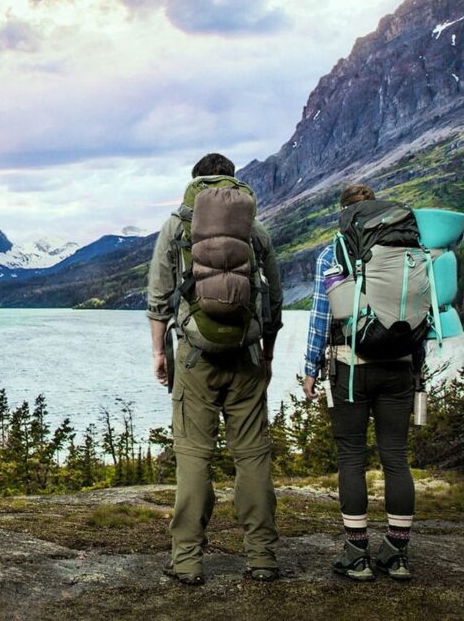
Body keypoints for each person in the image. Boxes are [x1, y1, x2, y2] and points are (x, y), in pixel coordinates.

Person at [147, 152, 284, 585]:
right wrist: (268, 354)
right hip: (246, 356)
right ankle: (261, 557)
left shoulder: (177, 226)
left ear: (195, 182)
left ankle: (187, 560)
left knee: (193, 457)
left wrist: (159, 354)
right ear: (233, 184)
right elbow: (274, 301)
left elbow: (157, 299)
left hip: (194, 357)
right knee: (253, 457)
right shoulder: (254, 230)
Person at [302, 183, 416, 581]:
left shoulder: (332, 253)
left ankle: (356, 554)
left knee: (352, 456)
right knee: (395, 458)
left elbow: (321, 315)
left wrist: (310, 367)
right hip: (400, 366)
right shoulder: (408, 251)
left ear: (344, 214)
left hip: (350, 367)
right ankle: (397, 554)